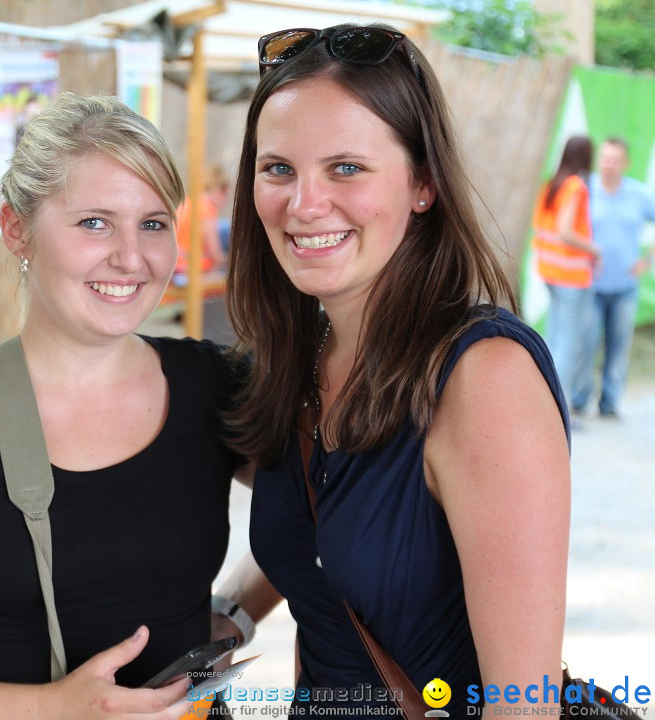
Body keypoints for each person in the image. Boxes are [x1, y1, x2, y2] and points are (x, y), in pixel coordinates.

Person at [0, 93, 271, 719]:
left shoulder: (215, 386)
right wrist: (52, 709)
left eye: (152, 222)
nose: (130, 257)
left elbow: (336, 505)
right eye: (94, 222)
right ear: (17, 228)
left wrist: (237, 610)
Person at [226, 25, 570, 716]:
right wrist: (224, 621)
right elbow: (331, 534)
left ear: (422, 184)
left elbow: (524, 703)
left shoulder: (484, 378)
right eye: (279, 169)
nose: (304, 203)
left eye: (346, 168)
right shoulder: (305, 359)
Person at [572, 137, 655, 419]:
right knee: (587, 342)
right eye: (605, 158)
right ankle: (579, 399)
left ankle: (609, 402)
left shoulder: (639, 194)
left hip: (625, 288)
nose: (609, 165)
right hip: (591, 285)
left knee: (618, 347)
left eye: (615, 160)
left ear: (626, 164)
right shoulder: (585, 190)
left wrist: (648, 260)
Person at [532, 135, 599, 410]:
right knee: (569, 346)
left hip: (549, 271)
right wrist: (595, 250)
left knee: (554, 338)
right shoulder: (575, 187)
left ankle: (540, 401)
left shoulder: (552, 184)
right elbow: (565, 230)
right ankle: (557, 409)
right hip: (571, 276)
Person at [175, 164, 230, 275]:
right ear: (217, 189)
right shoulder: (207, 210)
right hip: (193, 270)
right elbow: (215, 254)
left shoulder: (185, 203)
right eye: (225, 192)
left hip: (175, 266)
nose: (227, 198)